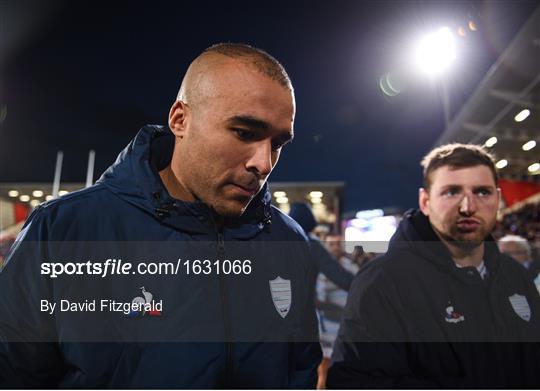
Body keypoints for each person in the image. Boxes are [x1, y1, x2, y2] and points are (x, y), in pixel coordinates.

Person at [0, 43, 321, 388]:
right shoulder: (65, 230)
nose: (263, 163)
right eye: (245, 133)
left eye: (278, 144)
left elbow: (300, 369)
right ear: (180, 120)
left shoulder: (288, 242)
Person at [328, 143, 540, 388]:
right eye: (452, 192)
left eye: (482, 192)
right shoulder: (384, 281)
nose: (468, 207)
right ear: (425, 201)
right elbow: (355, 382)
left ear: (498, 199)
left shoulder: (514, 276)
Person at [288, 203, 354, 389]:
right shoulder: (310, 244)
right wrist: (368, 284)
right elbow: (340, 277)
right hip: (303, 317)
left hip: (274, 317)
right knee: (307, 369)